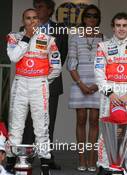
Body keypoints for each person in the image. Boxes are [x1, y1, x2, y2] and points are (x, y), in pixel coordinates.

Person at [6, 8, 61, 175]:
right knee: (16, 125)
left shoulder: (49, 40)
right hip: (20, 83)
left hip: (39, 85)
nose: (31, 21)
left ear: (39, 20)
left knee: (41, 126)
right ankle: (10, 162)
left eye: (35, 18)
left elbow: (57, 67)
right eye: (28, 18)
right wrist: (27, 37)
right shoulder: (14, 37)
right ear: (23, 21)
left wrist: (42, 79)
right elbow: (14, 57)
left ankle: (45, 164)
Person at [95, 12, 127, 175]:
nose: (121, 29)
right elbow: (98, 72)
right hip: (109, 93)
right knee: (105, 133)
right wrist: (110, 93)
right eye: (118, 25)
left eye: (124, 25)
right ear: (113, 27)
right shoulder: (102, 46)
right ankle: (103, 166)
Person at [22, 0, 68, 170]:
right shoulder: (24, 29)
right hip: (28, 81)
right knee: (28, 121)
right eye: (36, 6)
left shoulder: (60, 30)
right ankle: (25, 156)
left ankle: (46, 158)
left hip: (51, 82)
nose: (37, 10)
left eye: (40, 7)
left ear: (49, 10)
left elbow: (62, 56)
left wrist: (47, 74)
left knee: (49, 121)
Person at [67, 4, 104, 172]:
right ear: (83, 18)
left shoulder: (104, 38)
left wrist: (97, 85)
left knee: (94, 120)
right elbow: (71, 63)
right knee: (81, 120)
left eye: (95, 16)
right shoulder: (74, 36)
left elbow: (106, 65)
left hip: (97, 83)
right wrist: (81, 84)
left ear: (98, 20)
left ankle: (92, 159)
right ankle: (81, 158)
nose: (91, 18)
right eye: (88, 15)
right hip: (79, 82)